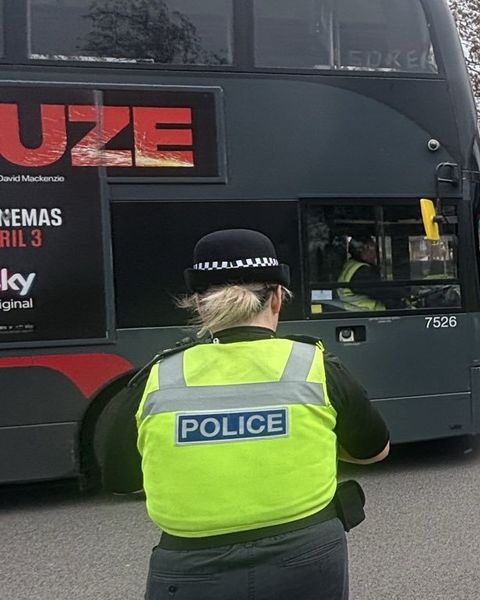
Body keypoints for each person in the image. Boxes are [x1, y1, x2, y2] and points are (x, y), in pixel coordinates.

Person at [99, 228, 391, 600]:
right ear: (277, 300)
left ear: (200, 304)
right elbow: (375, 450)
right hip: (306, 558)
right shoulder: (315, 365)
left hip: (189, 568)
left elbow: (121, 479)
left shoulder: (157, 376)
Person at [337, 236, 387, 311]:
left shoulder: (351, 264)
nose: (375, 254)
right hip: (366, 312)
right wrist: (402, 295)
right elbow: (382, 291)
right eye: (372, 249)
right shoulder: (362, 271)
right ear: (361, 250)